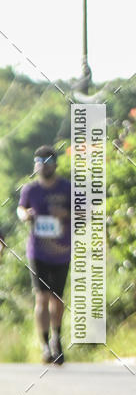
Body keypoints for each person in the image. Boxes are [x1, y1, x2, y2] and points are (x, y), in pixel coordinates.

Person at [17, 146, 71, 365]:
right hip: (37, 252)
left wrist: (65, 213)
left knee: (57, 299)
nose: (43, 165)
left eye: (47, 161)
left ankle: (57, 338)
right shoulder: (30, 190)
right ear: (35, 165)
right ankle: (45, 344)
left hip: (61, 251)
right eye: (38, 161)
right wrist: (25, 215)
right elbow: (21, 209)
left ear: (55, 164)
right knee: (41, 297)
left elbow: (85, 212)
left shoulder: (67, 188)